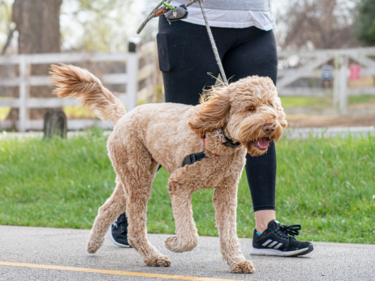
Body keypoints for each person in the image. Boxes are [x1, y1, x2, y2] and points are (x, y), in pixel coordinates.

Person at [111, 0, 314, 256]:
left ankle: (265, 229)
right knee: (178, 132)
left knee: (261, 125)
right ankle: (127, 213)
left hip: (255, 22)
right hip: (190, 19)